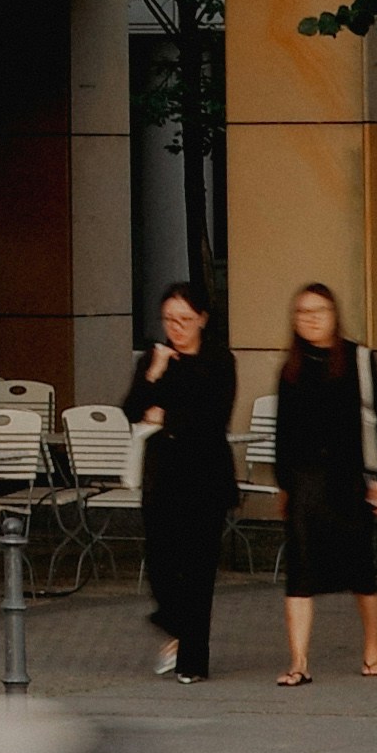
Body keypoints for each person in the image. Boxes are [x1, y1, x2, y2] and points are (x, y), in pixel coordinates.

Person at [270, 279, 377, 685]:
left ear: (334, 316)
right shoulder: (290, 368)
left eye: (318, 312)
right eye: (302, 312)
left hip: (349, 481)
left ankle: (373, 648)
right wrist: (284, 484)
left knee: (361, 572)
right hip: (305, 482)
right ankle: (298, 662)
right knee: (299, 574)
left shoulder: (358, 359)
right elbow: (282, 433)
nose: (310, 319)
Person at [125, 289, 239, 683]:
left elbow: (214, 416)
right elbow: (129, 409)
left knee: (198, 570)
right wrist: (154, 375)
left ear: (202, 319)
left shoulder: (219, 360)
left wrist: (165, 416)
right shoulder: (154, 359)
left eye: (184, 320)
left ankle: (193, 660)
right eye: (169, 320)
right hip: (162, 476)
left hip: (205, 475)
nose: (176, 328)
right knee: (160, 563)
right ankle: (174, 624)